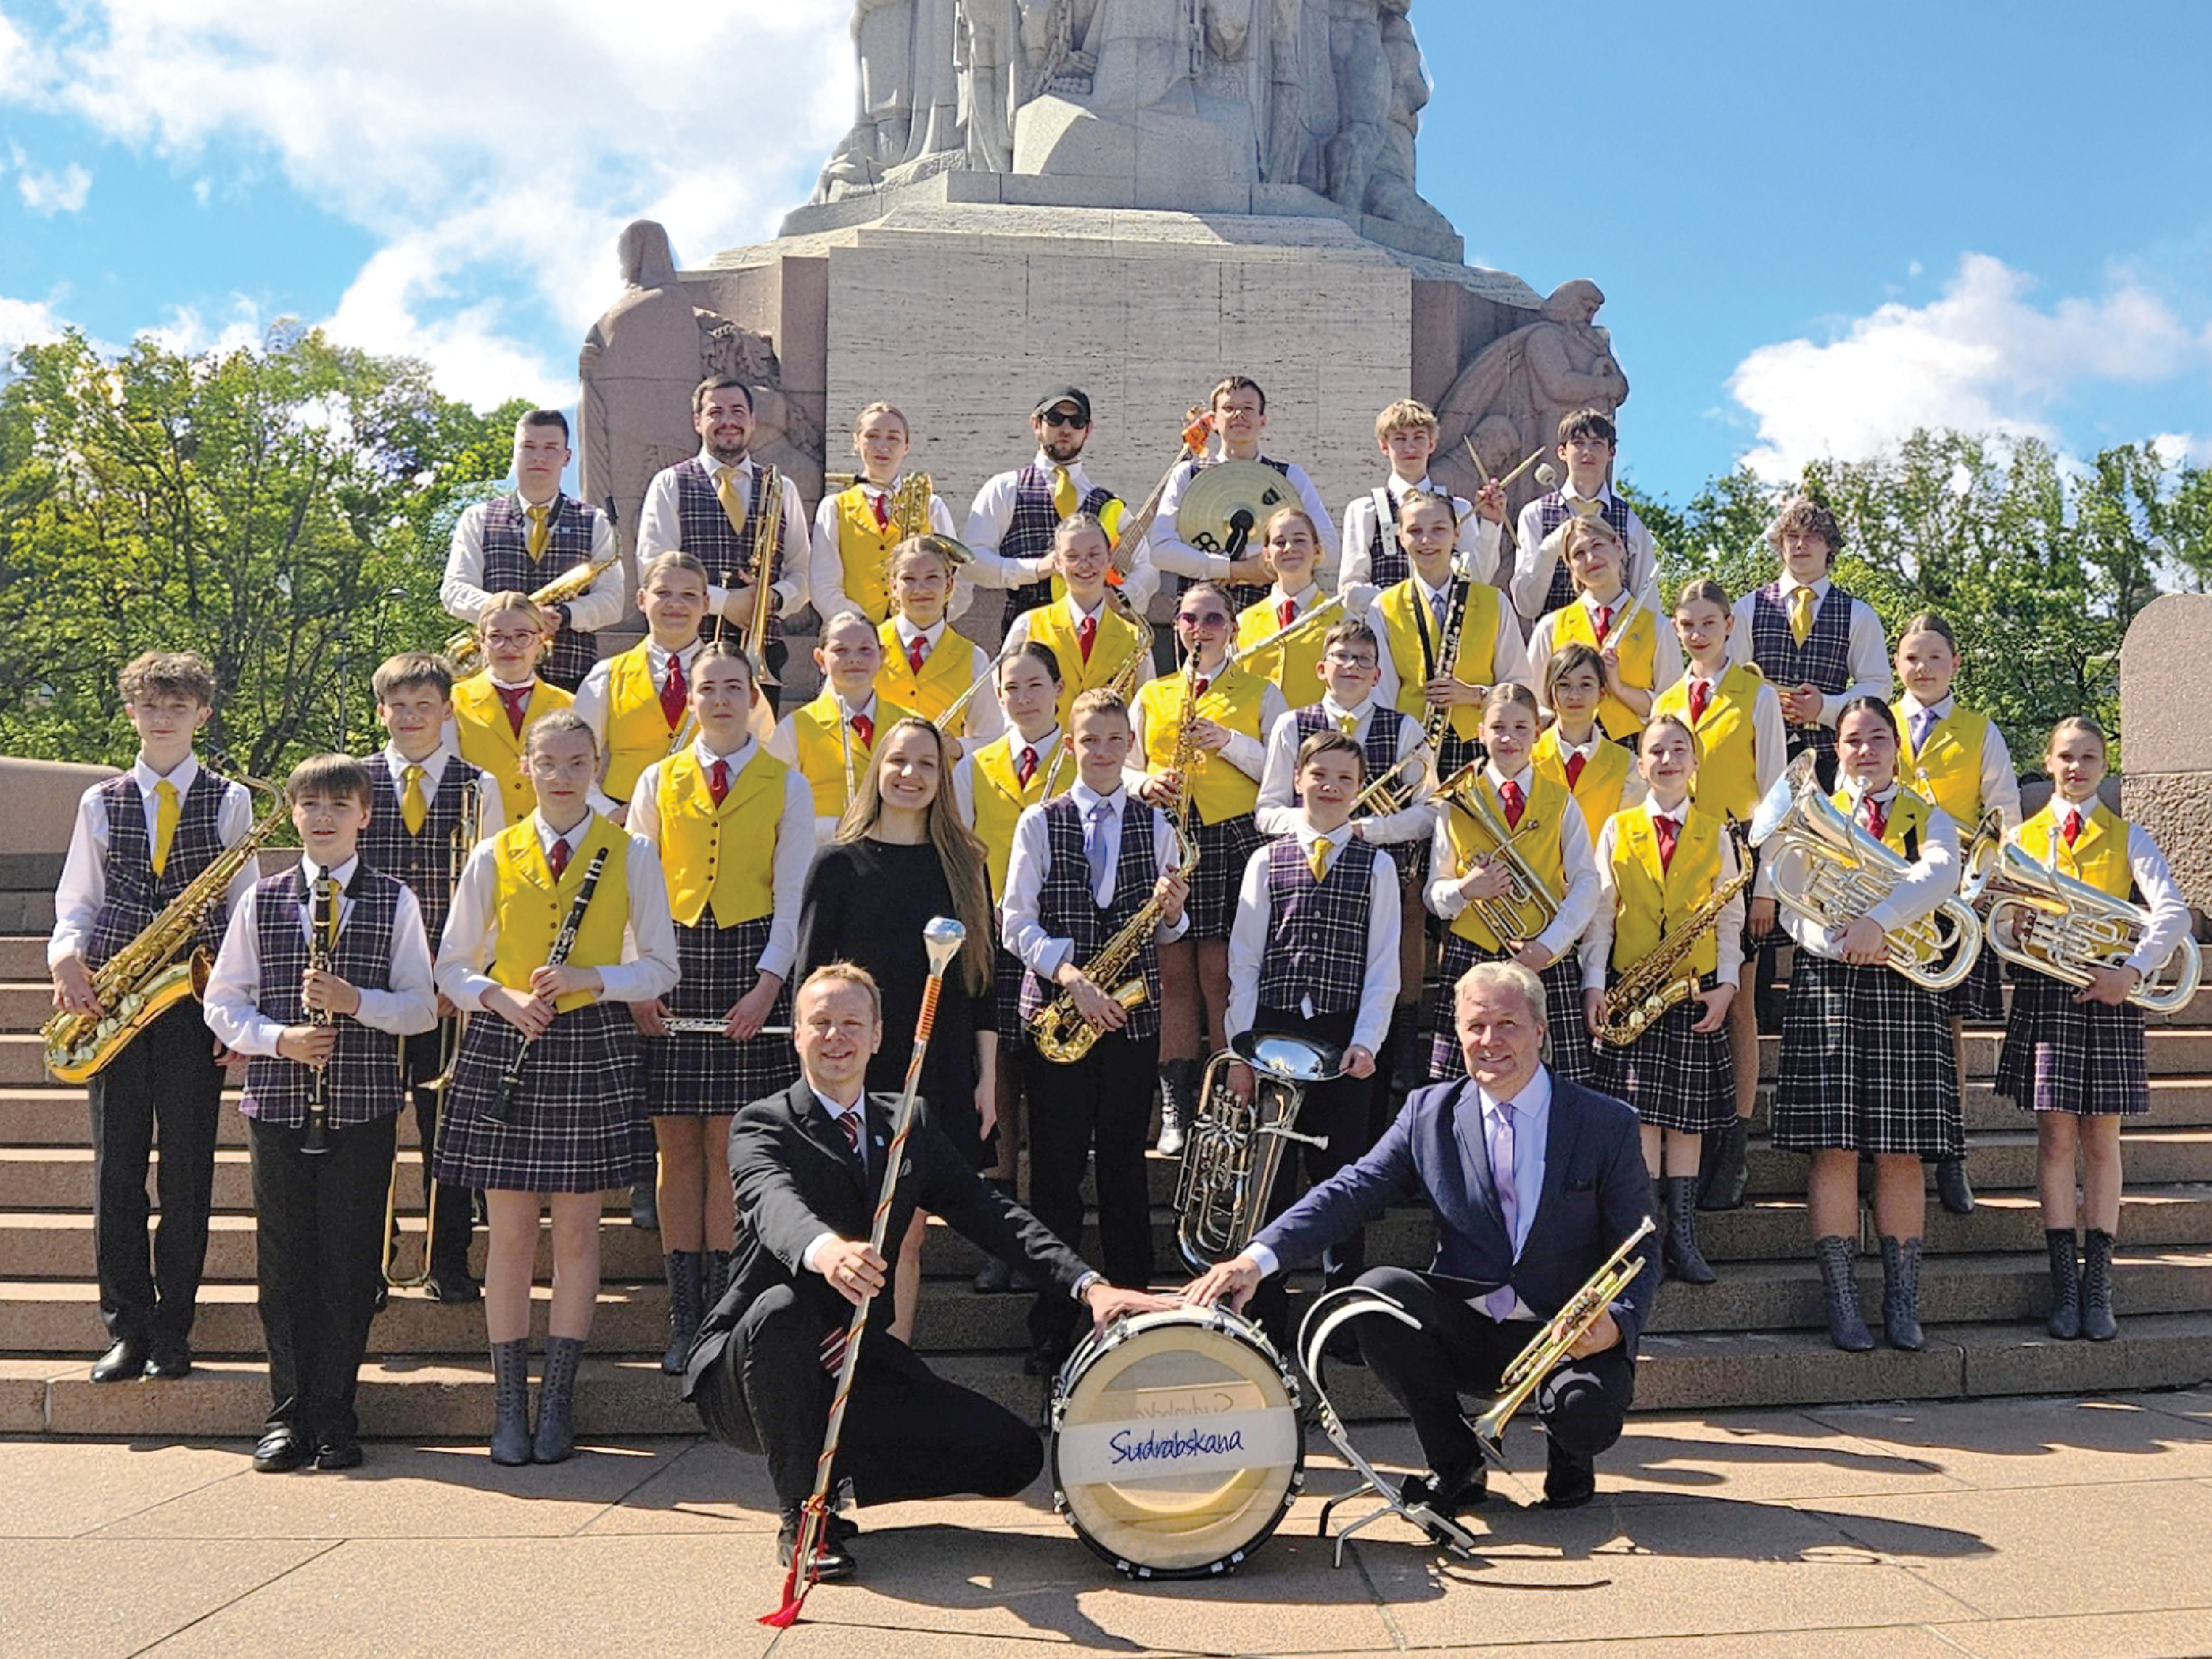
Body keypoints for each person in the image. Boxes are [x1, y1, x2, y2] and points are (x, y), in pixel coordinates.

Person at [681, 964, 1172, 1580]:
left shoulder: (907, 1122)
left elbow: (991, 1213)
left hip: (855, 1360)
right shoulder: (762, 1124)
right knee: (783, 1310)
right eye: (820, 1022)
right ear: (796, 1034)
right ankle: (803, 1517)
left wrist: (1089, 1286)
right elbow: (773, 1202)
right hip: (751, 1370)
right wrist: (826, 1250)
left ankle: (834, 1475)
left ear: (878, 1036)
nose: (836, 1036)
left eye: (851, 1022)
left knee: (1010, 1454)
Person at [1185, 960, 1659, 1516]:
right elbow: (1350, 1191)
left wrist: (1615, 1324)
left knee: (1586, 1416)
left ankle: (1570, 1452)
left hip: (1565, 1333)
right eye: (1475, 1026)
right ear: (1457, 1034)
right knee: (1373, 1292)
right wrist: (1255, 1260)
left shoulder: (1605, 1122)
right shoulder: (1429, 1114)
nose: (1489, 1040)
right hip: (1469, 1325)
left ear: (1540, 1030)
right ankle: (1457, 1463)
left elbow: (1641, 1245)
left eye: (1507, 1024)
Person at [432, 712, 678, 1464]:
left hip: (591, 1041)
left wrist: (591, 978)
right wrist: (500, 997)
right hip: (510, 1037)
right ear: (526, 767)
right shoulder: (493, 852)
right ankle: (509, 1404)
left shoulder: (631, 851)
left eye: (577, 762)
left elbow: (661, 967)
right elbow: (451, 963)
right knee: (508, 1234)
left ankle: (557, 1401)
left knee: (576, 1232)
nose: (563, 775)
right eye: (548, 762)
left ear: (597, 764)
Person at [202, 754, 438, 1471]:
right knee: (283, 1265)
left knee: (348, 1263)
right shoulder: (262, 898)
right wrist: (281, 1039)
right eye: (311, 804)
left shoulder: (395, 898)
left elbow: (421, 1008)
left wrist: (355, 1001)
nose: (324, 816)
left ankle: (336, 1414)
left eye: (340, 804)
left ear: (365, 815)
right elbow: (223, 1002)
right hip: (279, 1103)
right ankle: (287, 1416)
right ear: (295, 815)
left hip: (362, 1105)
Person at [48, 650, 258, 1384]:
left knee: (189, 1175)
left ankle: (175, 1329)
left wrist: (239, 1010)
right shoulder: (100, 800)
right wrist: (66, 959)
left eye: (178, 706)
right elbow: (78, 897)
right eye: (150, 704)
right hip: (114, 999)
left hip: (194, 1003)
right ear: (131, 712)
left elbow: (245, 911)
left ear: (203, 714)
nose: (163, 717)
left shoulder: (231, 800)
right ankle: (127, 1327)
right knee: (117, 1175)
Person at [625, 643, 812, 1374]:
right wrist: (641, 979)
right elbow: (638, 886)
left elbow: (793, 897)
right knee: (676, 1146)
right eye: (709, 687)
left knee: (731, 1147)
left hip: (748, 963)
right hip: (673, 960)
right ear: (693, 697)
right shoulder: (657, 777)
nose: (722, 699)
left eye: (735, 687)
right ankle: (684, 1311)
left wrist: (769, 984)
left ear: (754, 698)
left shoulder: (785, 782)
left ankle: (724, 1313)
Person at [1760, 698, 1964, 1353]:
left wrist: (1880, 922)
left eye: (1878, 737)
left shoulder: (1926, 815)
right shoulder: (1816, 813)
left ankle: (1902, 1302)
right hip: (1831, 978)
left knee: (1902, 1150)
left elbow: (1941, 872)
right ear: (1837, 748)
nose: (1865, 750)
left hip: (1903, 982)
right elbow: (1789, 897)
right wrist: (1835, 938)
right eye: (1853, 739)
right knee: (1834, 1146)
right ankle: (1843, 1303)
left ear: (1896, 747)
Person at [1003, 688, 1192, 1373]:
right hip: (1058, 1017)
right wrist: (1073, 978)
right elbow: (1014, 921)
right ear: (1071, 744)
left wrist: (1173, 910)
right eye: (1091, 740)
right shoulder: (1039, 819)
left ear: (1130, 745)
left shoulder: (1158, 824)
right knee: (1055, 1176)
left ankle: (1134, 1315)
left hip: (1130, 1021)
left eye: (1116, 739)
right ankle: (1053, 1324)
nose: (1104, 751)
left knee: (1122, 1172)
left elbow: (1171, 932)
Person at [797, 716, 999, 1342]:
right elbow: (808, 985)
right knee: (852, 1234)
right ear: (877, 769)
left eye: (927, 764)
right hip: (853, 1069)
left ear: (943, 779)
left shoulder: (965, 865)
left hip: (936, 1067)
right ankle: (841, 1365)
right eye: (898, 761)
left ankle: (892, 1366)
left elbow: (982, 983)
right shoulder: (836, 864)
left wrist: (987, 1079)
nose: (911, 774)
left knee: (906, 1232)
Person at [1996, 717, 2189, 1343]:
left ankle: (2098, 1282)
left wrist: (2131, 971)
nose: (2076, 768)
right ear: (2048, 761)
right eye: (2065, 757)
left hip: (2109, 991)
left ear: (2105, 767)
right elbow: (2000, 922)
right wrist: (2013, 927)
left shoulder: (2129, 836)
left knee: (2103, 1141)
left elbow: (2173, 911)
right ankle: (2064, 1283)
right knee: (2055, 1139)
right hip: (2048, 989)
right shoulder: (2021, 837)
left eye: (2088, 758)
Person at [1227, 729, 1400, 1336]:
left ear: (1360, 789)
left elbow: (1384, 966)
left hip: (1342, 1037)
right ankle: (1264, 1313)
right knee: (1269, 1180)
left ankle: (1341, 1317)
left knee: (1342, 1180)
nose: (1330, 786)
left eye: (1345, 778)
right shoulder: (1264, 860)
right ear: (1298, 779)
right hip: (1274, 1035)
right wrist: (1241, 1048)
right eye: (1319, 774)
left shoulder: (1378, 865)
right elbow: (1245, 962)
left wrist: (1368, 1040)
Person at [359, 653, 506, 1303]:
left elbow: (492, 891)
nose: (412, 716)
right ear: (381, 712)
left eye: (425, 705)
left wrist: (463, 974)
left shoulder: (481, 785)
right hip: (373, 986)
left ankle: (448, 1257)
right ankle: (373, 1255)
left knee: (446, 1127)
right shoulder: (356, 779)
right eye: (399, 705)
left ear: (448, 710)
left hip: (448, 990)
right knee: (369, 1126)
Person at [1578, 714, 1742, 1285]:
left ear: (1695, 763)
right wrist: (1594, 982)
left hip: (1693, 989)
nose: (1667, 759)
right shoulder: (1617, 828)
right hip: (1632, 989)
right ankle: (1645, 1237)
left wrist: (1728, 985)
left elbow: (1730, 918)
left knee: (1688, 1121)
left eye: (1679, 749)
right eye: (1655, 750)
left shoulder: (1715, 832)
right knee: (1643, 1119)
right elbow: (1601, 914)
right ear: (1641, 764)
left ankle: (1684, 1237)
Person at [1131, 581, 1288, 1156]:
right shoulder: (1153, 693)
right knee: (1172, 976)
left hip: (1231, 836)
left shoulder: (1261, 691)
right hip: (1167, 834)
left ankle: (1225, 1101)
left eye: (1214, 619)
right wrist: (1144, 782)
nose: (1201, 629)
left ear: (1234, 628)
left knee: (1220, 974)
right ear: (1177, 627)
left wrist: (1228, 741)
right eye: (1190, 619)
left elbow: (1284, 769)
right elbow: (1122, 763)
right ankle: (1176, 1106)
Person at [1257, 619, 1436, 1108]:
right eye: (1342, 656)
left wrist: (1362, 830)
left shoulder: (1405, 728)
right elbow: (1267, 811)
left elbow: (1429, 812)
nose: (1352, 666)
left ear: (1378, 674)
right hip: (1302, 879)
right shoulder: (1291, 725)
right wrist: (1319, 825)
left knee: (1377, 977)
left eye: (1363, 659)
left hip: (1376, 878)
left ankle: (1389, 1057)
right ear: (1322, 668)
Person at [1651, 578, 1785, 1211]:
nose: (1698, 634)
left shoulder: (1757, 694)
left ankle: (1733, 1146)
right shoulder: (1667, 699)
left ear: (1731, 625)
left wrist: (1767, 886)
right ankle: (1689, 1141)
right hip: (1678, 863)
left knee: (1739, 1004)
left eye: (1709, 622)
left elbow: (1778, 793)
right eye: (1687, 624)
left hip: (1740, 861)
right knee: (1686, 1000)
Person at [950, 641, 1071, 1292]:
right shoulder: (976, 765)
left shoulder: (1081, 757)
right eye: (1011, 688)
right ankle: (1002, 1240)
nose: (1023, 698)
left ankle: (1047, 1237)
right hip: (994, 939)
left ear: (1058, 689)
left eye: (1034, 685)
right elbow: (961, 852)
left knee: (1050, 1084)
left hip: (1063, 941)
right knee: (995, 1083)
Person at [1894, 612, 2023, 1217]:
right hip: (1887, 893)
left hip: (1957, 901)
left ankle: (1952, 1152)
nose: (1922, 668)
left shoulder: (1979, 729)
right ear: (1897, 664)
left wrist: (1988, 881)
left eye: (1934, 657)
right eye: (1911, 657)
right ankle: (1888, 1147)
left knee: (1949, 1027)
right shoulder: (1878, 721)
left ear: (1955, 664)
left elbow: (2004, 813)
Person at [1424, 683, 1601, 1090]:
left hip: (1542, 953)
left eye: (1521, 728)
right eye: (1498, 727)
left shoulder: (1560, 800)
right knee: (1458, 1083)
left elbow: (1587, 882)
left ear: (1537, 733)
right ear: (1480, 733)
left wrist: (1549, 945)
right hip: (1472, 952)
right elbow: (1433, 894)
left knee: (1561, 1084)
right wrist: (1466, 890)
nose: (1508, 738)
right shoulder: (1455, 801)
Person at [634, 377, 811, 700]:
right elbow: (654, 568)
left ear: (752, 421)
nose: (728, 421)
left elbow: (802, 571)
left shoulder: (782, 487)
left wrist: (772, 598)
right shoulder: (669, 483)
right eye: (716, 412)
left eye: (738, 411)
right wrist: (726, 602)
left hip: (762, 652)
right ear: (697, 422)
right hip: (688, 651)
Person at [440, 410, 624, 692]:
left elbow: (613, 602)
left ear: (567, 457)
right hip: (493, 677)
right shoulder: (477, 518)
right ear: (514, 453)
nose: (539, 457)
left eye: (550, 448)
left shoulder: (595, 521)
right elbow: (454, 591)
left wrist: (565, 614)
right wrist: (507, 613)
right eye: (529, 447)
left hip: (571, 677)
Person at [1365, 488, 1527, 780]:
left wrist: (1474, 695)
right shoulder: (1383, 607)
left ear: (1456, 534)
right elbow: (1382, 694)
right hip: (1413, 750)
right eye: (1415, 531)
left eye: (1439, 530)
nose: (1426, 541)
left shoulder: (1494, 602)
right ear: (1400, 538)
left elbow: (1520, 687)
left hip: (1481, 745)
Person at [1734, 495, 1889, 791]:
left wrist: (1825, 708)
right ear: (1780, 545)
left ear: (1830, 545)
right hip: (1756, 757)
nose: (1800, 545)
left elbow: (1877, 687)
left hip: (1830, 764)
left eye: (1812, 537)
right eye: (1792, 536)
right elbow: (1731, 681)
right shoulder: (1747, 608)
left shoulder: (1859, 614)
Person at [963, 385, 1146, 629]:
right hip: (1028, 635)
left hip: (1095, 635)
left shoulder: (1108, 504)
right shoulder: (1004, 489)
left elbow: (1146, 565)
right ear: (1036, 424)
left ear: (1088, 430)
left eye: (1077, 421)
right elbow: (971, 561)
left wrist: (1122, 597)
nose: (1066, 429)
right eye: (1055, 419)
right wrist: (1037, 568)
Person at [1155, 375, 1334, 606]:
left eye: (1248, 408)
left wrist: (1249, 558)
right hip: (1202, 613)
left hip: (1273, 609)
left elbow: (1330, 549)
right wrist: (1237, 569)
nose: (1239, 415)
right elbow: (1160, 550)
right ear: (1213, 421)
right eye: (1229, 408)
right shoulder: (1188, 474)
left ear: (1262, 421)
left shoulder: (1290, 477)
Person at [573, 551, 714, 815]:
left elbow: (762, 750)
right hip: (624, 821)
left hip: (709, 822)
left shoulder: (732, 677)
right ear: (641, 599)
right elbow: (574, 760)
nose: (676, 604)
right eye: (663, 593)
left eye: (689, 595)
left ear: (706, 604)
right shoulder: (605, 676)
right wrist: (609, 812)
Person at [1497, 408, 1661, 633]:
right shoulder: (1535, 514)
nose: (1587, 452)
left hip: (1615, 645)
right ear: (1562, 452)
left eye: (1597, 444)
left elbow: (1647, 600)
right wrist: (1550, 549)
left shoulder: (1631, 520)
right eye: (1578, 443)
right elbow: (1527, 606)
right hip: (1556, 643)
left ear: (1611, 453)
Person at [766, 609, 920, 843]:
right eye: (841, 651)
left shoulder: (910, 726)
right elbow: (773, 809)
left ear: (882, 655)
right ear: (820, 659)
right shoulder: (794, 729)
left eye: (865, 650)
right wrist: (833, 828)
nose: (854, 659)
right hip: (822, 853)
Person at [1527, 517, 1681, 747]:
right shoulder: (1550, 627)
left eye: (1597, 545)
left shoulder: (1658, 627)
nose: (1590, 559)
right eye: (1579, 554)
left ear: (1618, 547)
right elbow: (1533, 704)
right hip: (1566, 753)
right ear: (1570, 567)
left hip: (1635, 753)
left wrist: (1619, 688)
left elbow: (1672, 707)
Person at [807, 403, 962, 626]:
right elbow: (823, 585)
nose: (882, 446)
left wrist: (926, 622)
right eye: (872, 436)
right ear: (856, 442)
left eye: (893, 438)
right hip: (856, 635)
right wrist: (862, 627)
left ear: (907, 446)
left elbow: (957, 577)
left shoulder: (932, 506)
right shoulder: (834, 508)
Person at [1001, 513, 1153, 729]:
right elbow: (1001, 701)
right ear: (1057, 563)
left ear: (1109, 559)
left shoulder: (1136, 639)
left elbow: (1145, 712)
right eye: (1072, 556)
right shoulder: (1028, 626)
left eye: (1094, 555)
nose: (1084, 564)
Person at [447, 592, 575, 827]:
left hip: (548, 834)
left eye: (522, 636)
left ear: (540, 640)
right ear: (481, 641)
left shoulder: (568, 705)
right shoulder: (453, 701)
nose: (509, 647)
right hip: (481, 834)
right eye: (497, 637)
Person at [1338, 399, 1487, 592]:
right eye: (1400, 439)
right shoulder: (1365, 510)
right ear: (1384, 446)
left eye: (1418, 438)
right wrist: (1393, 604)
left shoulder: (1459, 509)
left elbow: (1477, 578)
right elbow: (1351, 587)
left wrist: (1492, 524)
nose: (1410, 448)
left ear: (1432, 444)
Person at [872, 536, 1006, 745]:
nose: (921, 589)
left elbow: (991, 737)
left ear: (949, 584)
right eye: (909, 579)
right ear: (893, 586)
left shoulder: (973, 658)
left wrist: (959, 747)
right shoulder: (865, 646)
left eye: (932, 578)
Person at [1234, 507, 1345, 711]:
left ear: (1317, 550)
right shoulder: (1242, 623)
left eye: (1300, 540)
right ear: (1266, 554)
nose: (1289, 548)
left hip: (1316, 730)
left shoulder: (1343, 621)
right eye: (1279, 542)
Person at [1533, 643, 1645, 838]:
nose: (1575, 696)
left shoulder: (1627, 766)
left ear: (1602, 693)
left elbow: (1628, 836)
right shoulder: (1527, 757)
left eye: (1586, 685)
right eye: (1564, 685)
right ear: (1550, 692)